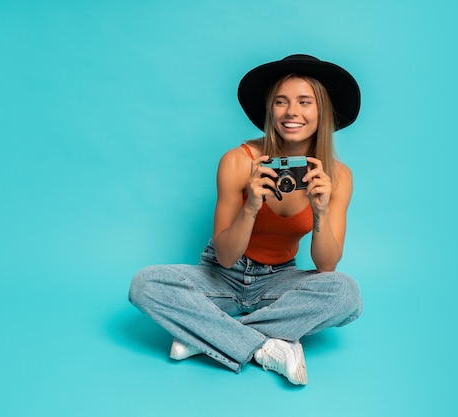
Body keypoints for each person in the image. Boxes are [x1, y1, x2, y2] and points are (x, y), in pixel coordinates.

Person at [128, 54, 363, 385]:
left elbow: (327, 266)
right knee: (145, 284)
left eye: (304, 102)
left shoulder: (337, 176)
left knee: (346, 295)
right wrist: (252, 204)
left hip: (276, 280)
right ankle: (269, 346)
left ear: (322, 111)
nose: (291, 111)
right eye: (280, 102)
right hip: (222, 276)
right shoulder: (239, 161)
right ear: (270, 111)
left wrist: (321, 210)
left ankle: (207, 337)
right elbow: (225, 256)